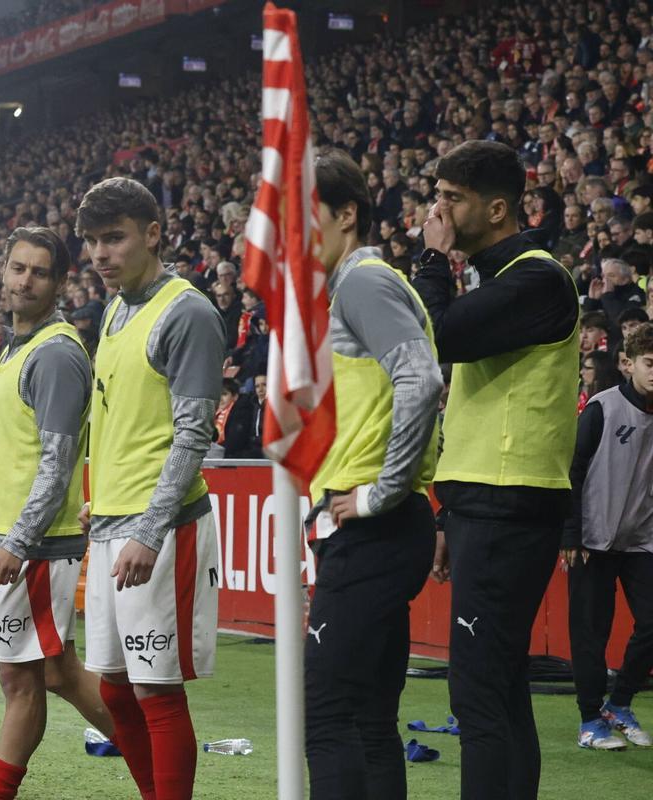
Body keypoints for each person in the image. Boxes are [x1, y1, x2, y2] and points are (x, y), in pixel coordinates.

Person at [414, 140, 579, 800]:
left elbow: (435, 335)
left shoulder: (539, 278)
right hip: (485, 497)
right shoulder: (502, 279)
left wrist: (430, 259)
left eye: (452, 198)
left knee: (477, 690)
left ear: (500, 207)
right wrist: (449, 509)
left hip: (511, 498)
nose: (439, 209)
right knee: (502, 686)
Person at [0, 226, 115, 800]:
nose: (25, 280)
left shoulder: (56, 355)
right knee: (50, 671)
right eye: (18, 268)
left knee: (26, 676)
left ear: (60, 281)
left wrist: (16, 541)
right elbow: (12, 459)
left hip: (39, 546)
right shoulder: (17, 347)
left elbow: (56, 464)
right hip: (14, 539)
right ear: (1, 270)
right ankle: (158, 767)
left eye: (39, 271)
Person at [76, 177, 224, 800]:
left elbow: (192, 436)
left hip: (159, 528)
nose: (100, 255)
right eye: (91, 242)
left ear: (154, 234)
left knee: (155, 690)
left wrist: (147, 527)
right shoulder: (114, 309)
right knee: (112, 684)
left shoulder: (185, 311)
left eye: (115, 239)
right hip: (111, 523)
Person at [305, 150, 443, 800]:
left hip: (374, 529)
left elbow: (422, 379)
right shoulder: (352, 287)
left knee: (328, 712)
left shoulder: (363, 282)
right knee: (366, 718)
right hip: (379, 526)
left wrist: (382, 491)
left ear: (348, 214)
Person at [563, 322, 653, 751]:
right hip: (592, 541)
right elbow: (573, 472)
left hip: (642, 540)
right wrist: (571, 533)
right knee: (590, 633)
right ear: (627, 363)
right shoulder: (602, 408)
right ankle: (589, 719)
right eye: (650, 363)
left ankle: (619, 703)